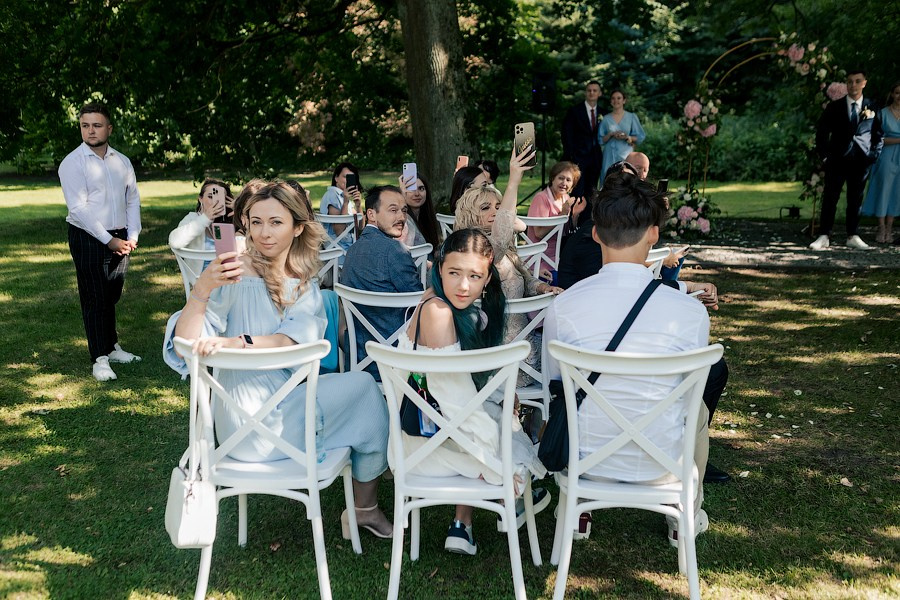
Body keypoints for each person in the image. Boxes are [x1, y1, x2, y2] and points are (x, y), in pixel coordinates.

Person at [163, 181, 393, 538]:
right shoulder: (233, 276)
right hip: (271, 431)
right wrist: (201, 290)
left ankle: (364, 508)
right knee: (365, 389)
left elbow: (288, 342)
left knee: (353, 391)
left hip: (231, 433)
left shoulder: (300, 286)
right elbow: (185, 345)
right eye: (256, 223)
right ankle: (365, 509)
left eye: (275, 222)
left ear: (297, 227)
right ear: (246, 225)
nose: (263, 233)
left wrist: (235, 343)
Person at [543, 170, 728, 546]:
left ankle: (578, 509)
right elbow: (690, 396)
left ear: (595, 234)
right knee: (699, 414)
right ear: (654, 234)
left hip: (586, 460)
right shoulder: (690, 312)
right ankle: (684, 516)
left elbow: (555, 390)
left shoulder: (565, 307)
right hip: (663, 463)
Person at [400, 228, 549, 556]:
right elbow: (457, 404)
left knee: (505, 418)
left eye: (474, 275)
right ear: (439, 269)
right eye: (454, 273)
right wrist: (498, 462)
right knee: (509, 438)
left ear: (488, 276)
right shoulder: (437, 312)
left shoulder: (451, 305)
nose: (463, 285)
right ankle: (501, 501)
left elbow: (459, 392)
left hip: (438, 429)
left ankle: (462, 525)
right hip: (428, 446)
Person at [455, 148, 563, 389]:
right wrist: (514, 179)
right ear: (470, 214)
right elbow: (501, 239)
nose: (495, 212)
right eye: (486, 208)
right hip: (498, 360)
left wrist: (543, 286)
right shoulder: (471, 251)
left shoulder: (503, 251)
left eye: (498, 206)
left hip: (524, 349)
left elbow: (523, 276)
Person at [59, 102, 142, 382]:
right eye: (85, 125)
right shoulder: (72, 163)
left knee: (111, 294)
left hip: (120, 236)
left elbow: (132, 198)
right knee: (94, 297)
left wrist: (132, 235)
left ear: (109, 128)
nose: (90, 131)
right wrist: (109, 241)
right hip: (88, 236)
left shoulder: (122, 161)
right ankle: (100, 358)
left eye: (96, 125)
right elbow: (79, 210)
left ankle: (112, 346)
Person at [340, 186, 423, 379]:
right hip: (394, 360)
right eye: (393, 210)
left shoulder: (352, 251)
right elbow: (420, 304)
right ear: (371, 214)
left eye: (404, 210)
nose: (401, 217)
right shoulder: (395, 251)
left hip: (358, 358)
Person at [811, 69, 884, 250]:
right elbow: (822, 133)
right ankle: (824, 235)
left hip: (861, 159)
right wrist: (826, 156)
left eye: (857, 81)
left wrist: (873, 155)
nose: (853, 85)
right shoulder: (834, 107)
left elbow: (878, 134)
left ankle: (852, 235)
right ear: (846, 84)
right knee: (830, 197)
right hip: (837, 159)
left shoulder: (872, 106)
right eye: (850, 81)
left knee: (856, 199)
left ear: (864, 83)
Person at [525, 161, 587, 278]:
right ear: (552, 179)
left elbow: (566, 232)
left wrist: (575, 215)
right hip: (539, 259)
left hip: (559, 257)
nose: (564, 183)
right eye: (561, 178)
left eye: (568, 180)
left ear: (572, 185)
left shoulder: (565, 198)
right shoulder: (541, 198)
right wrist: (562, 214)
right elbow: (539, 233)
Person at [860, 81, 900, 244]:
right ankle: (881, 227)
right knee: (883, 190)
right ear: (892, 94)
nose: (899, 96)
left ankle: (890, 228)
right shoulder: (882, 113)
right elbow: (877, 138)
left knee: (897, 193)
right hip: (886, 156)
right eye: (897, 93)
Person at [168, 178, 235, 274]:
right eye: (210, 196)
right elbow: (174, 242)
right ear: (200, 199)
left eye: (220, 198)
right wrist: (206, 218)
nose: (214, 202)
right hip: (202, 281)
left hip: (230, 279)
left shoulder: (229, 221)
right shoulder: (192, 219)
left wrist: (240, 214)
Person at [561, 80, 604, 197]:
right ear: (586, 93)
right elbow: (566, 133)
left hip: (595, 157)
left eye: (595, 90)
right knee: (577, 190)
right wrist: (570, 154)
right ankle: (575, 215)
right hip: (578, 157)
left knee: (592, 190)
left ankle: (589, 215)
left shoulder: (603, 112)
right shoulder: (574, 111)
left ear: (599, 93)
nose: (591, 93)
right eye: (589, 90)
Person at [597, 89, 647, 182]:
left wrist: (628, 137)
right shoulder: (606, 119)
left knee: (626, 177)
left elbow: (640, 136)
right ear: (611, 101)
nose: (616, 100)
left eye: (619, 98)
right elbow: (600, 139)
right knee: (607, 177)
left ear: (624, 100)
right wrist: (611, 134)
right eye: (613, 98)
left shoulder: (631, 117)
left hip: (626, 152)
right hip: (609, 154)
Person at [320, 162, 363, 261]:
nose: (347, 180)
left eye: (351, 178)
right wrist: (345, 202)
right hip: (339, 250)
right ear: (336, 178)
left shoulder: (344, 197)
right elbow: (339, 232)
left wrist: (358, 205)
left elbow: (360, 227)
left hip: (349, 247)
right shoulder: (333, 195)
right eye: (345, 177)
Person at [400, 174, 441, 249]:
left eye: (421, 188)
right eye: (411, 189)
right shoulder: (403, 221)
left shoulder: (428, 218)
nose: (417, 194)